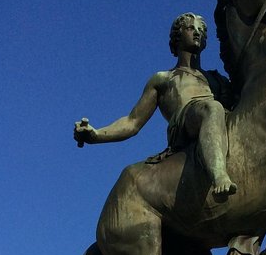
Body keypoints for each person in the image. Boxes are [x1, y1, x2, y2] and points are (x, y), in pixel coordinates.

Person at [74, 12, 237, 195]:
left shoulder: (216, 79)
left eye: (201, 30)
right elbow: (132, 122)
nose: (197, 32)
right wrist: (96, 135)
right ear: (177, 36)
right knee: (212, 107)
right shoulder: (163, 79)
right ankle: (219, 175)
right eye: (191, 28)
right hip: (184, 125)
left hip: (215, 121)